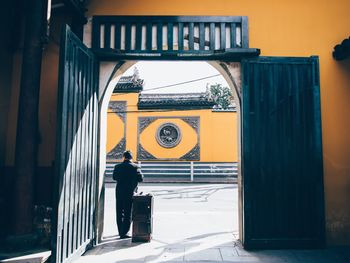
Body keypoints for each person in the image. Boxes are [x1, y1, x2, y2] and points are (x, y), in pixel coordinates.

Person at [113, 150, 143, 239]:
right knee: (128, 212)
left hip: (119, 192)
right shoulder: (135, 167)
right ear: (131, 158)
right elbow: (140, 179)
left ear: (124, 157)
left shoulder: (117, 166)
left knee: (119, 212)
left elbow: (114, 177)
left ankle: (120, 231)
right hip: (130, 192)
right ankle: (125, 232)